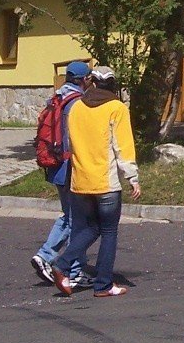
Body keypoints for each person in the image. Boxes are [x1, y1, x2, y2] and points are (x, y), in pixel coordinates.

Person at [50, 66, 141, 297]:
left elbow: (71, 142)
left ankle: (62, 265)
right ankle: (103, 285)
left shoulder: (76, 107)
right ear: (113, 85)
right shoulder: (116, 108)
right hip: (105, 182)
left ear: (92, 83)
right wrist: (132, 178)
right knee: (108, 231)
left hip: (80, 182)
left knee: (90, 228)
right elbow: (123, 146)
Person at [31, 60, 91, 285]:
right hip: (70, 168)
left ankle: (46, 257)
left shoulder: (56, 98)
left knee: (69, 216)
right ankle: (72, 270)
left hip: (55, 166)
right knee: (79, 221)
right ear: (83, 80)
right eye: (87, 79)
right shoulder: (77, 103)